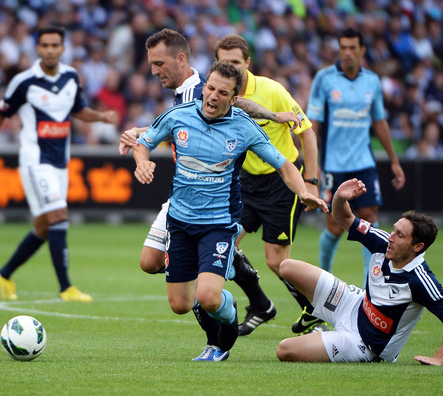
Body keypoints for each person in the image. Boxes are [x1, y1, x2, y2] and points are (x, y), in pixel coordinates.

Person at [133, 61, 328, 361]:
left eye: (222, 92)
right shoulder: (178, 117)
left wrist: (304, 190)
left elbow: (284, 165)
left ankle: (222, 328)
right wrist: (142, 161)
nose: (212, 96)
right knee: (180, 304)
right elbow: (142, 144)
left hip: (218, 224)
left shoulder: (243, 126)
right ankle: (224, 313)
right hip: (180, 223)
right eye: (210, 88)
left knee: (208, 297)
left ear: (234, 99)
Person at [0, 26, 117, 302]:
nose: (49, 50)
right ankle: (66, 288)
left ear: (62, 48)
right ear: (38, 48)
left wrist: (101, 117)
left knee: (44, 227)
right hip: (36, 160)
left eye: (54, 45)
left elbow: (78, 109)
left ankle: (4, 274)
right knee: (59, 216)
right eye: (45, 45)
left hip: (60, 161)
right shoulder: (24, 81)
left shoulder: (71, 77)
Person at [276, 178, 443, 364]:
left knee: (284, 349)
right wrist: (340, 198)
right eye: (394, 230)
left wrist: (439, 359)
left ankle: (325, 332)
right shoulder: (382, 242)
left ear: (417, 247)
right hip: (353, 304)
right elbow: (343, 218)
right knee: (286, 267)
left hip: (363, 345)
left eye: (400, 235)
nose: (391, 237)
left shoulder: (420, 281)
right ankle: (314, 313)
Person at [214, 33, 321, 336]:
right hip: (246, 182)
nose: (230, 68)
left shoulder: (272, 91)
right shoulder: (219, 95)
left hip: (281, 181)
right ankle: (261, 304)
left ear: (247, 63)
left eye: (235, 62)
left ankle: (314, 309)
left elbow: (307, 133)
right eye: (224, 63)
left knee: (277, 261)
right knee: (224, 243)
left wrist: (310, 183)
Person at [307, 28, 406, 290]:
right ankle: (323, 283)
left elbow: (380, 121)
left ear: (362, 50)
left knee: (369, 218)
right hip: (334, 165)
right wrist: (313, 164)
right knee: (336, 226)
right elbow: (313, 124)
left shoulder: (372, 81)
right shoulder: (324, 79)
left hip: (365, 162)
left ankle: (367, 289)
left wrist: (394, 160)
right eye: (343, 48)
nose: (347, 53)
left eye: (353, 48)